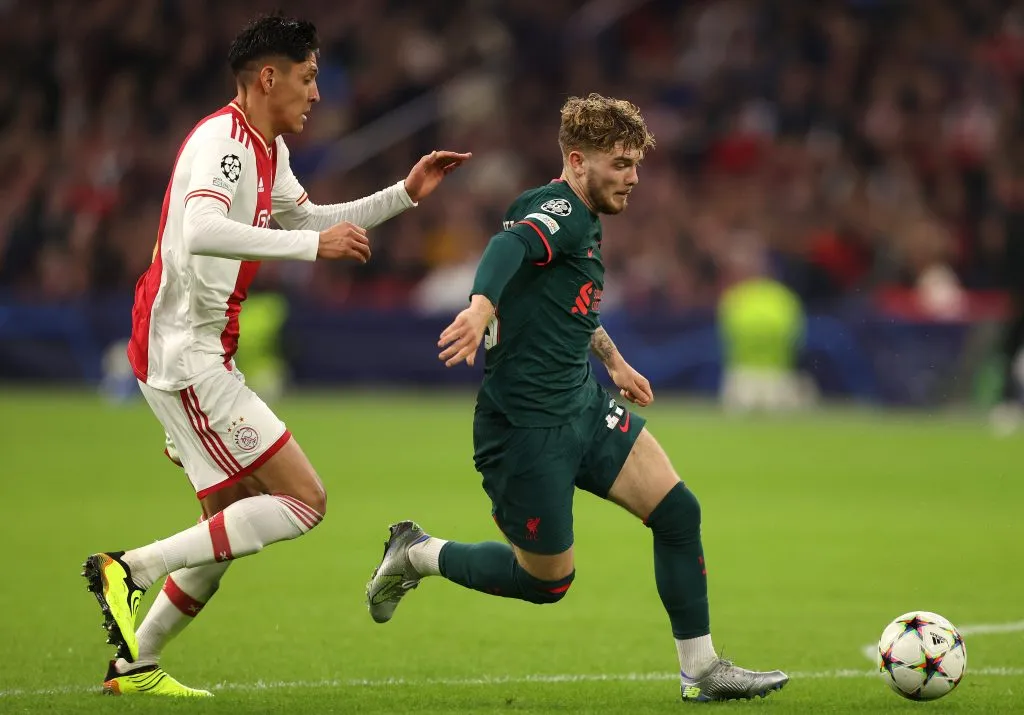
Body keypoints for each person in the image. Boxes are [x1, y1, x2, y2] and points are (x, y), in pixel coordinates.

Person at [81, 14, 469, 697]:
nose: (317, 93)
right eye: (309, 77)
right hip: (186, 354)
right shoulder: (224, 145)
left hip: (193, 352)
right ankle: (128, 569)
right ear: (269, 77)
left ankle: (133, 664)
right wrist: (311, 251)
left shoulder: (267, 150)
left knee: (223, 531)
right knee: (303, 499)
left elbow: (309, 219)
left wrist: (403, 195)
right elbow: (202, 228)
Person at [365, 94, 787, 703]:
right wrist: (481, 304)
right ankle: (418, 553)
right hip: (526, 430)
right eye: (620, 164)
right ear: (576, 160)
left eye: (637, 164)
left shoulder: (573, 216)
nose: (633, 178)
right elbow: (506, 251)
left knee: (677, 511)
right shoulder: (560, 208)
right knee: (546, 583)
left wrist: (612, 360)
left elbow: (566, 299)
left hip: (581, 405)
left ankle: (701, 669)